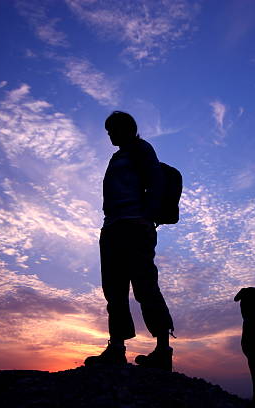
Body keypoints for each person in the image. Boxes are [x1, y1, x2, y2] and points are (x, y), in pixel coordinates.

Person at [84, 111, 174, 371]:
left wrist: (147, 217)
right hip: (112, 227)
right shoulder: (118, 156)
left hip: (135, 226)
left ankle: (162, 349)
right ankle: (116, 348)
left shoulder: (141, 149)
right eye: (108, 131)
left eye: (112, 130)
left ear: (125, 128)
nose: (109, 135)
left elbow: (156, 182)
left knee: (145, 287)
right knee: (114, 290)